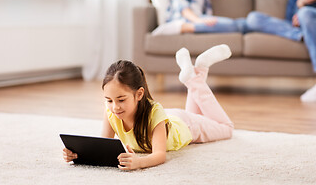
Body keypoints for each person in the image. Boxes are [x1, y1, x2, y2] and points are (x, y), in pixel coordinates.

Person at [63, 44, 234, 170]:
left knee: (227, 128)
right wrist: (77, 154)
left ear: (139, 94)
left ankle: (194, 78)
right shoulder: (111, 112)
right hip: (170, 118)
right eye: (109, 100)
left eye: (121, 100)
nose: (114, 107)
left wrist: (139, 162)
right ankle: (200, 70)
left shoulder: (154, 112)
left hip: (187, 125)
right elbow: (103, 145)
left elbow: (159, 155)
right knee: (194, 112)